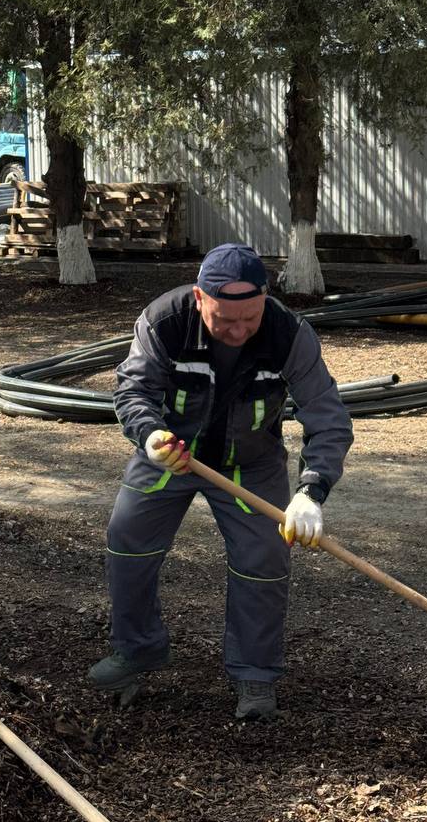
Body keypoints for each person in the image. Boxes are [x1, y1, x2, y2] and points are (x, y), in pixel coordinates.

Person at [88, 242, 354, 720]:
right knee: (127, 538)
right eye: (224, 320)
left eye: (249, 319)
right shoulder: (163, 321)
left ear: (265, 299)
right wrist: (150, 437)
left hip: (249, 462)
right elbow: (134, 389)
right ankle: (137, 650)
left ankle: (255, 676)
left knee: (265, 558)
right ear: (198, 298)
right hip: (171, 453)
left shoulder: (288, 334)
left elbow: (327, 418)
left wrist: (311, 492)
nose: (237, 331)